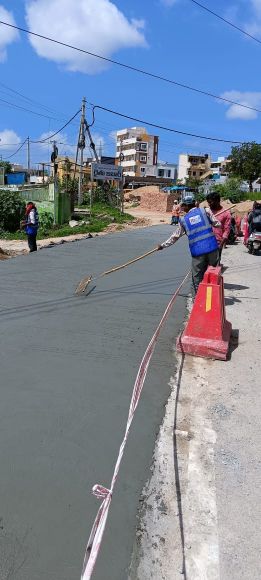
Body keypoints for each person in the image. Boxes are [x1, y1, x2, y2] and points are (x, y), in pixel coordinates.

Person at [158, 195, 221, 295]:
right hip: (212, 248)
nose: (182, 208)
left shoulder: (183, 220)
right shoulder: (205, 211)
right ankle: (213, 296)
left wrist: (162, 245)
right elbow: (218, 224)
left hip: (198, 251)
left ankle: (198, 299)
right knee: (214, 274)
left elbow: (175, 236)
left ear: (186, 206)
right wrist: (209, 221)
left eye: (183, 206)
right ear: (194, 203)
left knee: (197, 278)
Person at [206, 192, 231, 261]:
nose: (209, 204)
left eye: (210, 202)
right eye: (208, 202)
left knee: (215, 265)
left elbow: (227, 230)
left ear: (217, 201)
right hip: (205, 241)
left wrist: (221, 244)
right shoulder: (206, 212)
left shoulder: (226, 213)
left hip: (217, 242)